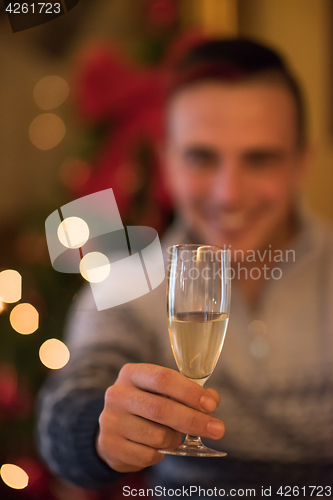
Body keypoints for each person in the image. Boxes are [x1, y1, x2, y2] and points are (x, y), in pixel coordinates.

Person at [37, 38, 333, 496]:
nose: (229, 193)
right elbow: (71, 399)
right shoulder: (127, 279)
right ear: (167, 163)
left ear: (300, 165)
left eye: (260, 158)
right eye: (201, 157)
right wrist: (98, 426)